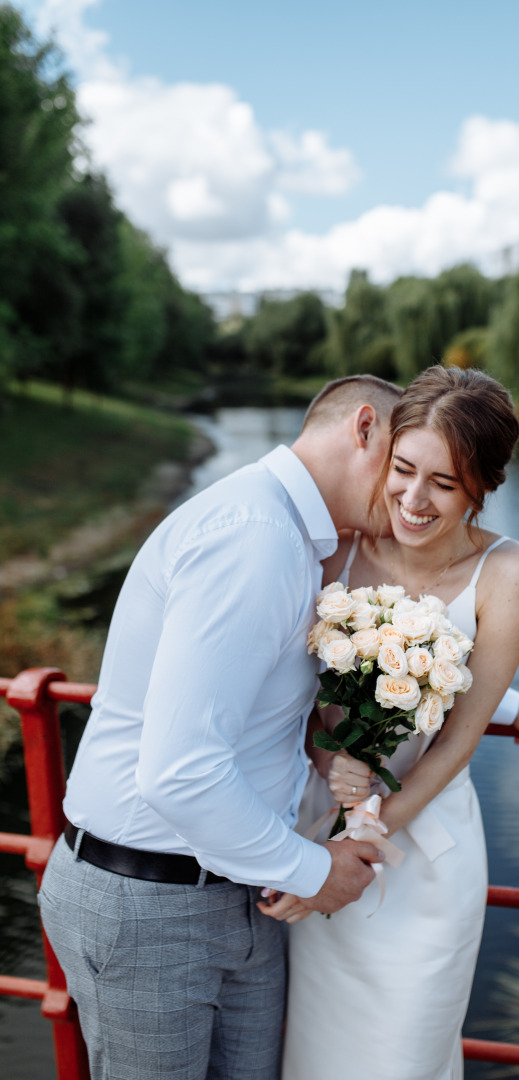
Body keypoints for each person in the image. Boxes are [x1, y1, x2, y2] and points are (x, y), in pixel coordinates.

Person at [37, 374, 403, 1080]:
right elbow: (179, 771)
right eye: (403, 465)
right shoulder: (254, 534)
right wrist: (314, 870)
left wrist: (502, 705)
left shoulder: (296, 538)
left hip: (241, 891)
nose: (408, 498)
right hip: (148, 906)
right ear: (363, 428)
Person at [265, 366, 519, 1080]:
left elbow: (457, 736)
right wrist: (325, 770)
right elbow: (295, 696)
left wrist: (369, 828)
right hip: (318, 834)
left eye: (445, 483)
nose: (412, 498)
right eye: (403, 469)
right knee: (310, 1054)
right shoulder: (338, 545)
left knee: (404, 1058)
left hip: (423, 855)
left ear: (481, 489)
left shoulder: (507, 570)